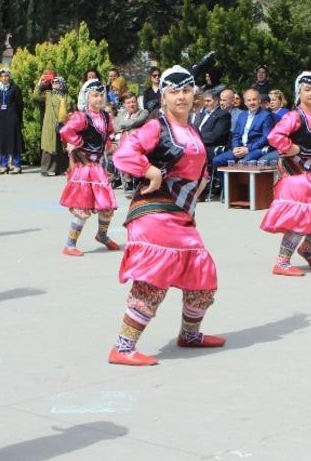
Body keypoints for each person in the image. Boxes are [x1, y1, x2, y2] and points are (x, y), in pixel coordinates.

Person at [108, 66, 223, 366]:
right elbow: (123, 153)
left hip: (181, 216)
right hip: (155, 213)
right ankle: (122, 347)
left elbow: (198, 167)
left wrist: (201, 184)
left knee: (203, 276)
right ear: (164, 96)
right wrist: (150, 170)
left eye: (186, 90)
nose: (181, 96)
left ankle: (190, 335)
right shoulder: (156, 127)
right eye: (174, 91)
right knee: (154, 278)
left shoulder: (192, 129)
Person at [260, 72, 311, 276]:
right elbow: (275, 136)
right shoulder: (294, 116)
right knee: (299, 216)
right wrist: (290, 147)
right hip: (295, 170)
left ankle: (306, 249)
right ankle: (282, 261)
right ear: (299, 92)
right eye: (307, 89)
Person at [57, 77, 120, 257]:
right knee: (83, 206)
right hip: (85, 168)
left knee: (106, 205)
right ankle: (70, 244)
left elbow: (106, 136)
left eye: (101, 95)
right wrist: (78, 143)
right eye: (94, 96)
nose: (99, 99)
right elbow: (65, 131)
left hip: (99, 166)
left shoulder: (105, 116)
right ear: (86, 98)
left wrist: (110, 146)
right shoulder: (82, 117)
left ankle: (102, 235)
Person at [211, 89, 277, 168]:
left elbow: (265, 137)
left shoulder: (266, 115)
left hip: (256, 149)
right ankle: (224, 181)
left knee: (244, 162)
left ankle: (241, 180)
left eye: (254, 99)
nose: (252, 102)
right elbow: (236, 135)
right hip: (239, 148)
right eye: (249, 100)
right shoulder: (242, 115)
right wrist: (236, 147)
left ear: (259, 100)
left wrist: (247, 149)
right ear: (245, 103)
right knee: (217, 160)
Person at [0, 69, 25, 174]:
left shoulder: (15, 88)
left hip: (12, 118)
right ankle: (4, 165)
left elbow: (20, 104)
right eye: (2, 76)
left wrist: (18, 118)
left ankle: (17, 165)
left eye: (6, 76)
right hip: (1, 119)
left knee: (14, 141)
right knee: (3, 142)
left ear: (9, 77)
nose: (4, 78)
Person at [33, 73, 70, 176]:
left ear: (62, 84)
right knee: (48, 146)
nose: (54, 83)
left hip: (63, 124)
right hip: (49, 124)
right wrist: (40, 83)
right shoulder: (48, 94)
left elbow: (70, 108)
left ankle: (61, 169)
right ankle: (45, 168)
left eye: (57, 82)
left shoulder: (66, 96)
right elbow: (36, 96)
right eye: (53, 82)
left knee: (61, 147)